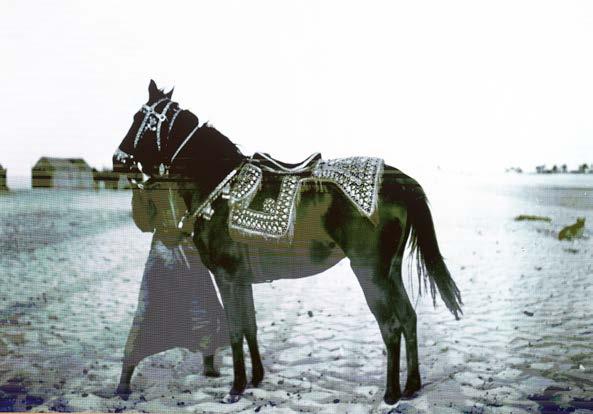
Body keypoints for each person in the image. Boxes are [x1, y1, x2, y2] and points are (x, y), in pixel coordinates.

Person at [116, 175, 229, 398]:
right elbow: (145, 225)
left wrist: (194, 225)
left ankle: (208, 363)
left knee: (203, 308)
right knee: (149, 312)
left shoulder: (192, 181)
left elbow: (211, 214)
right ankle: (124, 378)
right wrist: (136, 191)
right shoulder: (151, 187)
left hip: (190, 250)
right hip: (162, 254)